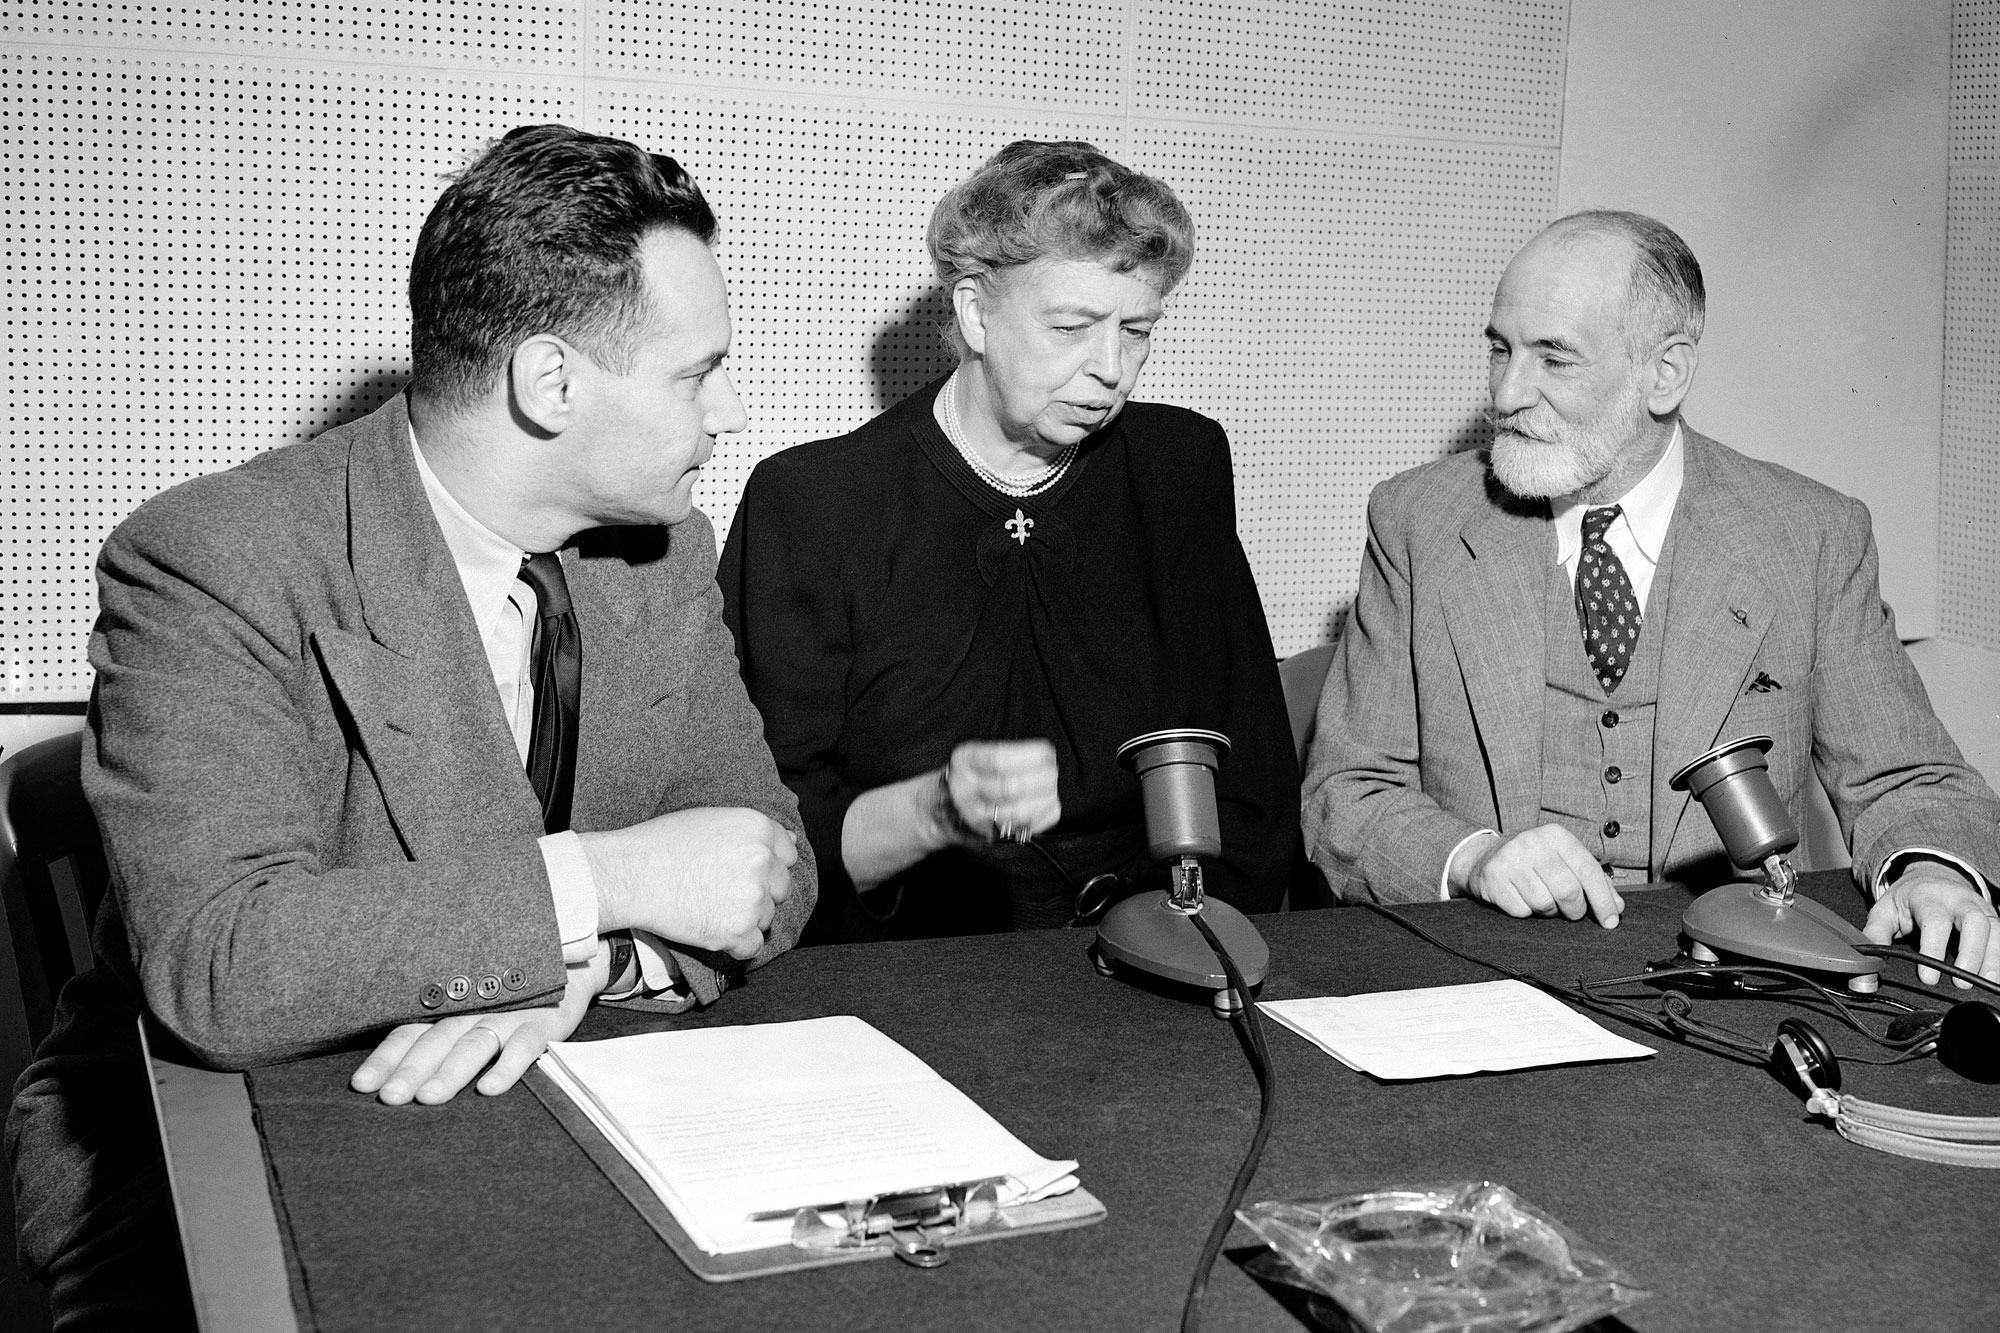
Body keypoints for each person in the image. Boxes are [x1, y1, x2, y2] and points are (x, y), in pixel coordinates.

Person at [7, 124, 814, 1326]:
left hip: (537, 1110)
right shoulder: (213, 557)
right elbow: (225, 960)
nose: (730, 410)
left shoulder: (660, 548)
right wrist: (605, 881)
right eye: (697, 373)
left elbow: (762, 862)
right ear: (551, 383)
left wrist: (577, 959)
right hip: (203, 1142)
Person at [1303, 209, 2000, 986]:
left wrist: (1935, 872)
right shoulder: (1418, 522)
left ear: (1664, 374)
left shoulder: (1810, 535)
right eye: (1499, 349)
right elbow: (1344, 795)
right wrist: (1472, 859)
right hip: (1491, 976)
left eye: (1553, 359)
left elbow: (1912, 779)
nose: (1505, 392)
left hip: (1736, 986)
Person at [718, 140, 1299, 942]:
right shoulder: (814, 504)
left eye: (1137, 330)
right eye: (1071, 326)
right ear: (973, 313)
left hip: (1168, 947)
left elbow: (1251, 770)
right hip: (905, 966)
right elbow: (773, 831)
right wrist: (933, 811)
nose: (1111, 370)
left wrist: (1217, 951)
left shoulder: (1180, 466)